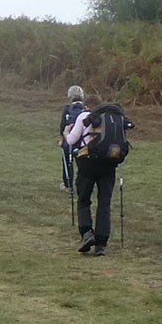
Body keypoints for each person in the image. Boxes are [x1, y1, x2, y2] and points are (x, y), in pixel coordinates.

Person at [65, 102, 132, 256]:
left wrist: (66, 133)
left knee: (83, 199)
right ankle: (101, 244)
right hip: (108, 165)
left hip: (87, 164)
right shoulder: (115, 119)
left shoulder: (84, 116)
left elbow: (71, 141)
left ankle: (87, 232)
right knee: (104, 203)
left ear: (89, 106)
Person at [58, 85, 85, 192]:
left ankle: (68, 184)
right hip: (82, 142)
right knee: (82, 163)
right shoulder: (85, 109)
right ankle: (83, 183)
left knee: (68, 162)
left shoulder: (67, 109)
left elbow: (63, 126)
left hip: (69, 140)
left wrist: (62, 138)